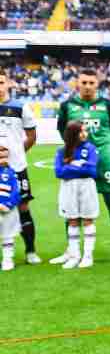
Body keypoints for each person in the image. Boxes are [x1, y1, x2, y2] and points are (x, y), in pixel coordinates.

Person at [56, 69, 110, 262]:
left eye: (91, 82)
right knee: (72, 206)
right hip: (76, 160)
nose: (88, 86)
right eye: (84, 82)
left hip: (105, 160)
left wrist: (104, 148)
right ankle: (71, 251)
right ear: (77, 84)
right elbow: (63, 131)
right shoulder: (67, 106)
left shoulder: (108, 105)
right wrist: (74, 149)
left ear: (97, 84)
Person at [0, 72, 40, 264]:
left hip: (16, 168)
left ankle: (30, 251)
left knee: (23, 207)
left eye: (0, 82)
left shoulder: (20, 107)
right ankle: (7, 254)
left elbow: (32, 136)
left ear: (7, 83)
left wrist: (17, 152)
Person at [54, 120, 100, 270]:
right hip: (68, 188)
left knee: (88, 220)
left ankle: (88, 256)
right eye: (81, 131)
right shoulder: (62, 151)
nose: (84, 134)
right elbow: (59, 172)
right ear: (73, 133)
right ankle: (74, 256)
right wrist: (81, 165)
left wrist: (71, 165)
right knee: (72, 220)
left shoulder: (91, 148)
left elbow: (92, 171)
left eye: (85, 130)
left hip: (87, 186)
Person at [0, 143, 22, 271]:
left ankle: (8, 259)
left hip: (7, 210)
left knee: (8, 235)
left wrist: (7, 205)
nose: (2, 154)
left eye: (4, 151)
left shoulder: (11, 172)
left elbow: (16, 192)